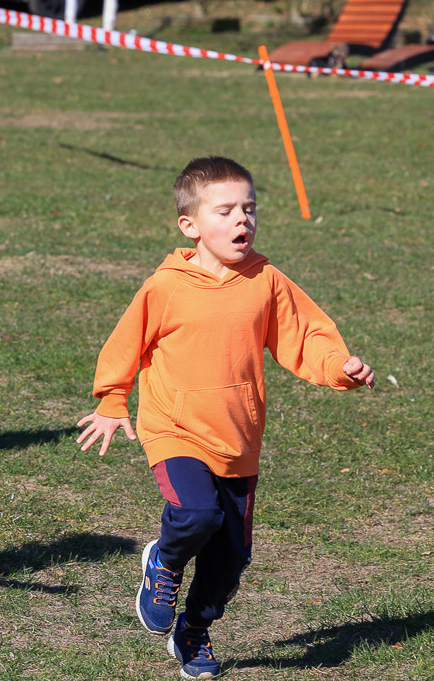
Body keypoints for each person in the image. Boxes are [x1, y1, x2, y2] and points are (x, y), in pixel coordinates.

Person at [75, 156, 374, 680]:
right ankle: (164, 563)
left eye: (250, 208)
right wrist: (111, 400)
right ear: (190, 226)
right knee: (196, 516)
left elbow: (304, 337)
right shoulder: (165, 287)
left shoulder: (265, 280)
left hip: (238, 440)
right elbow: (125, 345)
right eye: (227, 210)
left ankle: (193, 630)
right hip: (175, 429)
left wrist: (340, 368)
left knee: (230, 558)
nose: (243, 220)